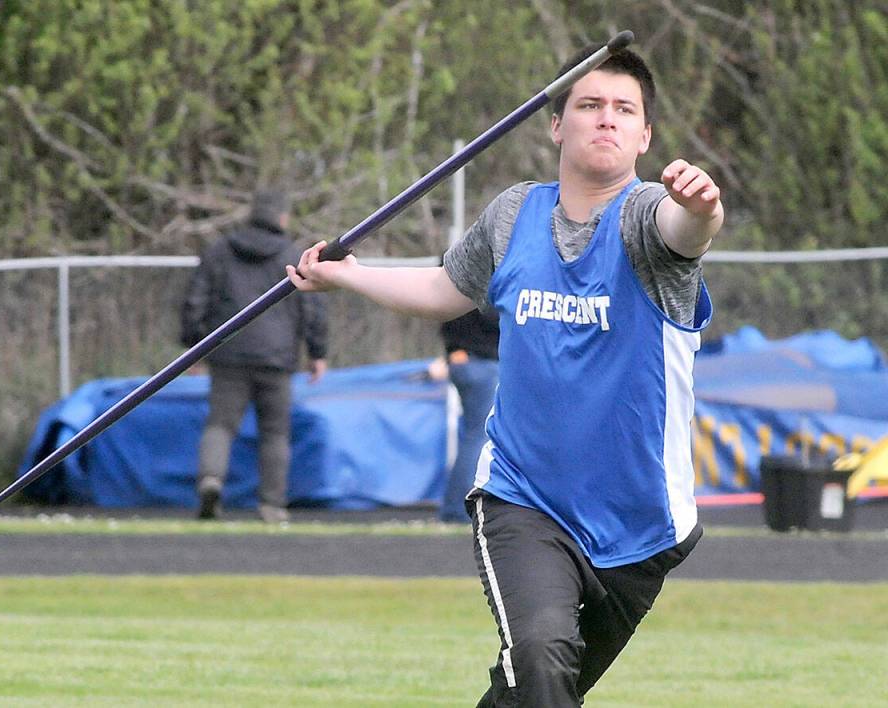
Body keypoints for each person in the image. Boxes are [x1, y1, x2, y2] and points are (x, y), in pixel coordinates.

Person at [287, 43, 723, 706]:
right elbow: (445, 290)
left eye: (624, 108)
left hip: (639, 523)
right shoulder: (514, 214)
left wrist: (702, 208)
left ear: (644, 135)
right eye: (590, 105)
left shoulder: (646, 219)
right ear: (556, 125)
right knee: (540, 656)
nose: (607, 117)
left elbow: (686, 229)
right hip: (524, 497)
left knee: (531, 690)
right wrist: (347, 276)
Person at [181, 189, 328, 524]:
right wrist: (317, 352)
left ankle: (211, 481)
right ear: (282, 217)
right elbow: (312, 307)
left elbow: (195, 300)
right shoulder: (291, 255)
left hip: (227, 354)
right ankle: (272, 505)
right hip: (277, 357)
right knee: (275, 432)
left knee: (220, 425)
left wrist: (194, 347)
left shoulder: (220, 251)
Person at [437, 308, 500, 523]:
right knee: (480, 436)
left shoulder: (459, 290)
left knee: (475, 434)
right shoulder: (483, 293)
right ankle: (457, 509)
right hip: (480, 360)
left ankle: (455, 508)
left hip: (467, 358)